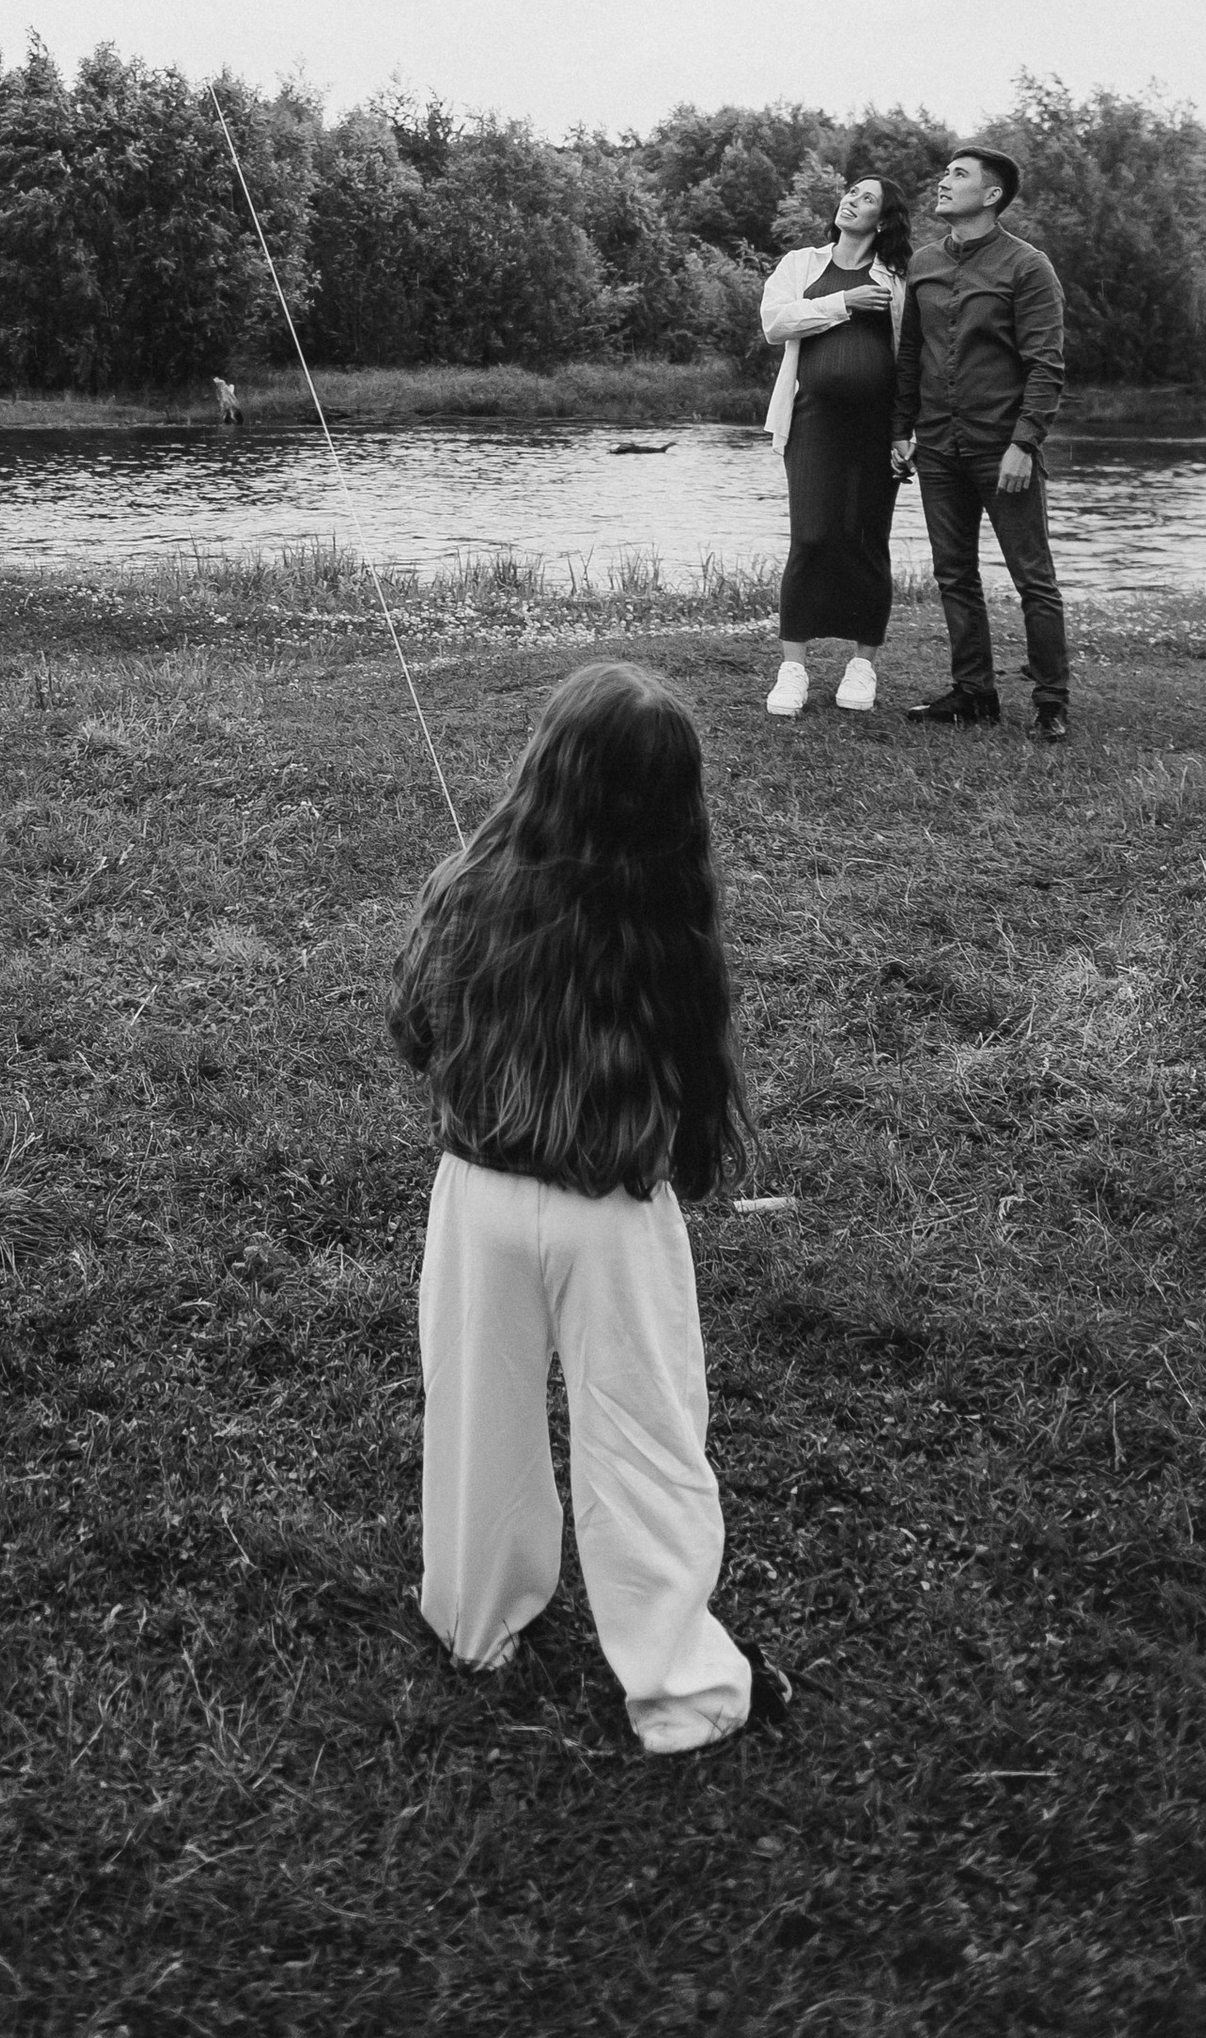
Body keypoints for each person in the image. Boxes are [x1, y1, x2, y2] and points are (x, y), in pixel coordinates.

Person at [388, 662, 790, 1751]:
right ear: (674, 807)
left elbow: (412, 1030)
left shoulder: (466, 883)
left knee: (477, 1419)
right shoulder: (667, 923)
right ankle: (678, 1687)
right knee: (646, 1437)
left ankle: (473, 1622)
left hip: (474, 1198)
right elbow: (699, 1083)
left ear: (541, 769)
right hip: (611, 1215)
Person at [890, 145, 1071, 740]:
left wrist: (1025, 442)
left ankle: (1051, 701)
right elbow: (912, 353)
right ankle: (974, 694)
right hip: (939, 445)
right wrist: (901, 428)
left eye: (958, 175)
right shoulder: (923, 263)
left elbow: (1046, 365)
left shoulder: (1027, 266)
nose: (943, 182)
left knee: (1032, 578)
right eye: (945, 172)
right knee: (954, 574)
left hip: (1002, 448)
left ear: (991, 195)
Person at [758, 174, 915, 716]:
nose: (852, 200)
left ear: (885, 218)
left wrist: (904, 431)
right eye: (851, 192)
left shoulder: (898, 279)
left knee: (868, 540)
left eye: (867, 198)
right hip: (812, 422)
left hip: (878, 429)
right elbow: (776, 324)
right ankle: (793, 669)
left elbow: (910, 361)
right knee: (813, 537)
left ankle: (862, 665)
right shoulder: (802, 264)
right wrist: (844, 301)